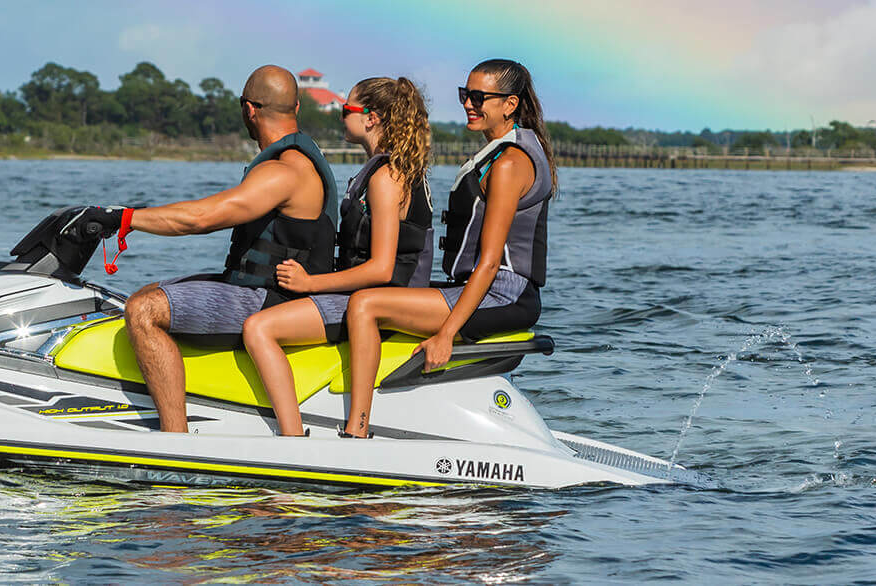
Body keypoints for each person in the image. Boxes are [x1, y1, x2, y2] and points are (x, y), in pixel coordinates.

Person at [54, 65, 338, 433]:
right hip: (261, 289)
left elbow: (201, 219)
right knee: (148, 292)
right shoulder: (295, 160)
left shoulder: (286, 170)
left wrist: (125, 219)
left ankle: (176, 440)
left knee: (144, 310)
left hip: (276, 300)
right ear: (297, 106)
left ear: (248, 109)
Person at [338, 58, 556, 439]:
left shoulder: (509, 163)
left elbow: (489, 263)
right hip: (483, 287)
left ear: (510, 104)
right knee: (386, 295)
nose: (469, 104)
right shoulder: (504, 153)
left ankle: (356, 432)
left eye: (479, 97)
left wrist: (446, 334)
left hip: (503, 294)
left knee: (366, 304)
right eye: (464, 95)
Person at [240, 77, 433, 437]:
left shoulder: (386, 177)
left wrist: (311, 282)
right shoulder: (380, 170)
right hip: (355, 293)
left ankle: (295, 438)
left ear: (371, 118)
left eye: (347, 110)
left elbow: (381, 267)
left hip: (380, 298)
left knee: (259, 328)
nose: (341, 117)